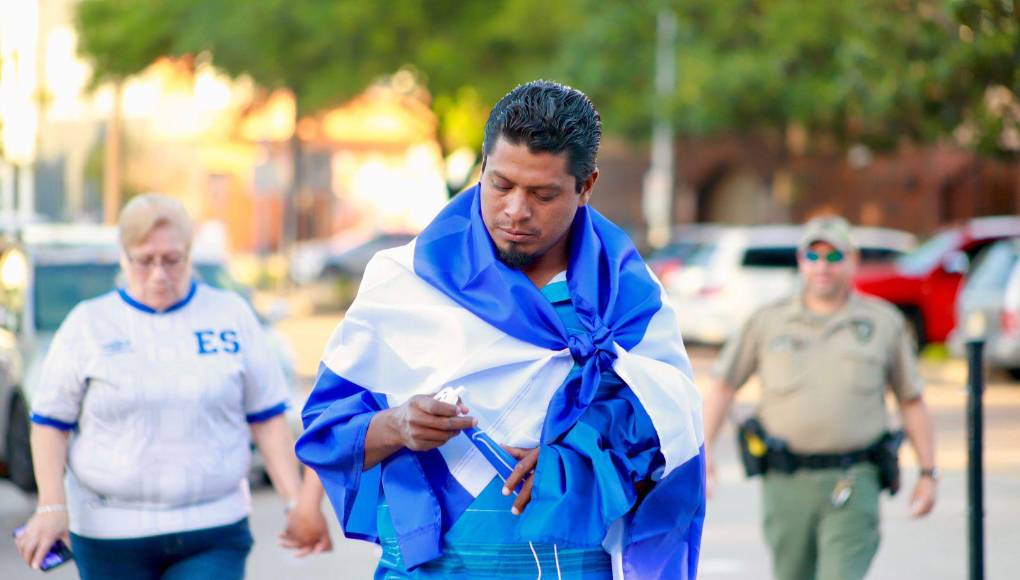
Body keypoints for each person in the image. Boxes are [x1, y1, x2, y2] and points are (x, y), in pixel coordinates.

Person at [297, 80, 706, 579]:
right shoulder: (404, 280)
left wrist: (576, 460)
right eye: (501, 185)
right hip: (430, 565)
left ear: (587, 186)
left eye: (542, 194)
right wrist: (397, 425)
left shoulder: (627, 298)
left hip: (568, 563)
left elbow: (670, 426)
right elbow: (325, 431)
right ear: (482, 168)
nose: (516, 211)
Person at [14, 194, 331, 579]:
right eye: (144, 260)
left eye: (172, 259)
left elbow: (266, 416)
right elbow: (50, 423)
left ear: (189, 253)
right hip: (108, 533)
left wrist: (294, 500)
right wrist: (51, 505)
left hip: (213, 526)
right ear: (124, 256)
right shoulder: (88, 325)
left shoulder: (230, 316)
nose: (159, 274)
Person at [702, 216, 938, 580]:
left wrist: (927, 472)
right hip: (786, 483)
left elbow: (911, 400)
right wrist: (704, 458)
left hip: (855, 479)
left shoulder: (882, 323)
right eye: (813, 257)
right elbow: (723, 387)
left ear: (853, 260)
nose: (822, 267)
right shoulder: (769, 321)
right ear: (800, 262)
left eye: (834, 257)